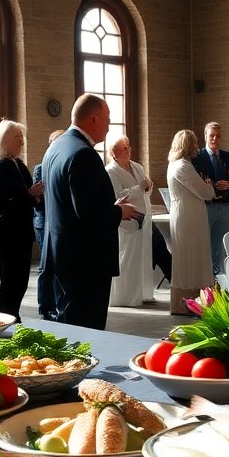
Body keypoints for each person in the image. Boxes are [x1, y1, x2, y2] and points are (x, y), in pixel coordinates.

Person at [42, 94, 142, 329]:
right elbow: (86, 212)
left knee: (69, 325)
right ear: (94, 119)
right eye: (107, 120)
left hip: (62, 254)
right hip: (85, 261)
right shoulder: (83, 154)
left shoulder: (56, 147)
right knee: (87, 329)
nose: (108, 128)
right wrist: (119, 212)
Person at [0, 120, 39, 320]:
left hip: (22, 231)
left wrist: (36, 196)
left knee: (21, 281)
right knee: (11, 281)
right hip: (8, 232)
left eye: (22, 137)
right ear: (6, 139)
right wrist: (29, 194)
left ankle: (13, 315)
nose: (21, 142)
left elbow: (28, 193)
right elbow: (2, 202)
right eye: (17, 137)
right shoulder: (0, 166)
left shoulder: (18, 164)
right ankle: (7, 319)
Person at [166, 129, 216, 314]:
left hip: (186, 212)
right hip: (189, 215)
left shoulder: (175, 164)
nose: (197, 146)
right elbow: (205, 192)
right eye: (194, 143)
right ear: (187, 146)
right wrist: (209, 186)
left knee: (188, 256)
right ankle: (190, 303)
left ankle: (189, 302)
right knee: (192, 256)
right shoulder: (183, 166)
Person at [106, 135, 154, 307]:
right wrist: (139, 187)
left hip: (144, 216)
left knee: (143, 256)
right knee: (126, 257)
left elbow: (146, 187)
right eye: (123, 148)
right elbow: (118, 195)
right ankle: (124, 297)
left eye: (128, 146)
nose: (128, 150)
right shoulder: (110, 171)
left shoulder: (137, 166)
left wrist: (147, 186)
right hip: (127, 218)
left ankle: (142, 293)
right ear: (114, 153)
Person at [192, 121, 229, 274]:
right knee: (205, 246)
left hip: (225, 206)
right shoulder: (197, 157)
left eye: (218, 136)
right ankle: (206, 278)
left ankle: (219, 279)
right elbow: (198, 180)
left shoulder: (228, 157)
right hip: (207, 206)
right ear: (205, 137)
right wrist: (214, 185)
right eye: (211, 136)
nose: (215, 139)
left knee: (220, 247)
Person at [32, 129, 61, 319]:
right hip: (44, 222)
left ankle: (57, 303)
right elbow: (38, 200)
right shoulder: (40, 168)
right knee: (46, 266)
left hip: (57, 222)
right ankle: (45, 307)